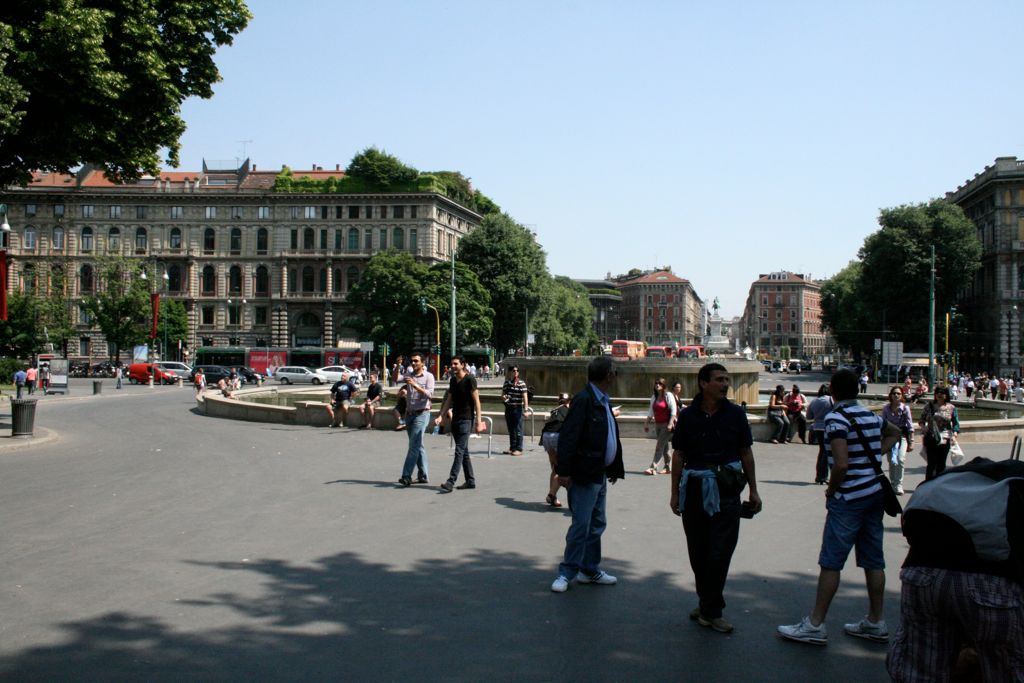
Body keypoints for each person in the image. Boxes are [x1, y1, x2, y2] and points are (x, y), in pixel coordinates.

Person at [778, 368, 901, 646]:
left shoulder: (836, 419)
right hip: (874, 494)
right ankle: (876, 621)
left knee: (831, 561)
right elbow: (895, 432)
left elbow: (842, 464)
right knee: (873, 559)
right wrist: (872, 455)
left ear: (833, 390)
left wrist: (831, 490)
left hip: (848, 498)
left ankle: (815, 624)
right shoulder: (870, 416)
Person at [886, 457, 1024, 682]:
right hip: (992, 584)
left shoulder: (949, 481)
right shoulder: (1016, 483)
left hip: (922, 576)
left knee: (921, 669)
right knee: (1006, 668)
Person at [670, 362, 762, 633]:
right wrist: (675, 493)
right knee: (698, 553)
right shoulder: (687, 416)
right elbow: (678, 455)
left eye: (727, 379)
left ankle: (712, 610)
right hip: (696, 491)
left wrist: (754, 489)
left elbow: (746, 452)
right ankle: (707, 603)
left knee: (720, 553)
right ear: (703, 383)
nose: (725, 384)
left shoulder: (735, 414)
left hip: (728, 491)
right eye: (719, 379)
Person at [550, 356, 625, 593]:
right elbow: (569, 437)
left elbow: (608, 435)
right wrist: (563, 472)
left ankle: (589, 569)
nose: (616, 376)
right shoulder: (584, 400)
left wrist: (613, 467)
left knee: (597, 523)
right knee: (581, 524)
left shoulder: (602, 399)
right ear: (607, 375)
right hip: (584, 473)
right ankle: (566, 573)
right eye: (615, 372)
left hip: (599, 473)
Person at [434, 355, 485, 493]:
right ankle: (470, 481)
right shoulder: (452, 381)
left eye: (456, 364)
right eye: (452, 364)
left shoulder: (470, 380)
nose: (453, 366)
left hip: (466, 419)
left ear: (463, 365)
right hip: (455, 419)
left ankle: (451, 481)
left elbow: (477, 402)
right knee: (464, 452)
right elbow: (449, 400)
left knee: (459, 451)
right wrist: (441, 416)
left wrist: (478, 421)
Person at [397, 352, 435, 487]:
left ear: (422, 363)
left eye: (416, 361)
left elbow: (430, 394)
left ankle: (406, 476)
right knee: (418, 445)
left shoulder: (429, 377)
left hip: (422, 413)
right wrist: (398, 365)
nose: (413, 363)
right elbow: (396, 378)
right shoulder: (409, 375)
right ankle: (423, 475)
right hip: (410, 414)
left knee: (413, 445)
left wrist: (415, 385)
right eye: (412, 361)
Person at [919, 386, 960, 481]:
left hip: (945, 438)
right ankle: (928, 484)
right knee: (931, 464)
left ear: (946, 395)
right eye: (937, 392)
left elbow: (956, 423)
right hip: (931, 437)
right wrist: (924, 427)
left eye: (942, 392)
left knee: (941, 464)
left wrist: (954, 434)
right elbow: (921, 420)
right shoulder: (929, 406)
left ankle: (939, 484)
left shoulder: (951, 408)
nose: (939, 394)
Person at [881, 386, 914, 495]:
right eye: (894, 393)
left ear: (902, 396)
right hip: (889, 437)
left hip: (901, 437)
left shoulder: (905, 409)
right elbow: (882, 424)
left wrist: (912, 441)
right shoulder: (886, 408)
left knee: (900, 459)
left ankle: (899, 484)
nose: (896, 395)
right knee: (892, 461)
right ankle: (893, 483)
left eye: (898, 393)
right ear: (890, 395)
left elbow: (910, 426)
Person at [540, 392, 571, 508]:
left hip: (546, 436)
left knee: (555, 467)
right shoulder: (569, 410)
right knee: (561, 469)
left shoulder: (555, 410)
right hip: (557, 436)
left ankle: (552, 496)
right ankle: (553, 495)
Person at [644, 378, 677, 475]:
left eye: (660, 383)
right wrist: (646, 423)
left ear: (663, 386)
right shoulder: (654, 397)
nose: (657, 385)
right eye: (656, 383)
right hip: (657, 424)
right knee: (664, 446)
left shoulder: (668, 395)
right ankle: (668, 467)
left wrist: (671, 423)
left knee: (659, 446)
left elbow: (673, 410)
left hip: (666, 424)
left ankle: (653, 468)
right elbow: (651, 411)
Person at [806, 384, 834, 484]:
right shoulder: (831, 400)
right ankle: (823, 476)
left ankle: (819, 476)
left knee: (822, 450)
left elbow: (809, 416)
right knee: (827, 452)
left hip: (817, 427)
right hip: (829, 427)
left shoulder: (814, 401)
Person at [501, 365, 530, 456]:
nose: (515, 372)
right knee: (511, 429)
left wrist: (525, 409)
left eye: (517, 371)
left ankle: (519, 448)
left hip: (518, 408)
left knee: (518, 429)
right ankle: (512, 447)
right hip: (509, 408)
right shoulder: (507, 383)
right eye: (514, 370)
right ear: (511, 372)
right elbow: (502, 394)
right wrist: (504, 398)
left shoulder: (522, 383)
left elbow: (525, 397)